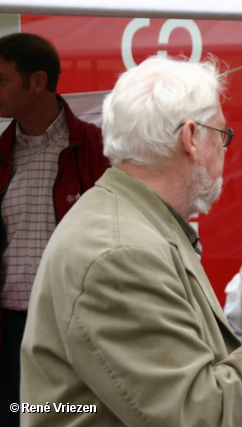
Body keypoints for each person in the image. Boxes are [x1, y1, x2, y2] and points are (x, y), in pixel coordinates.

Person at [20, 55, 242, 427]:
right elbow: (200, 414)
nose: (225, 149)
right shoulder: (122, 252)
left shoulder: (134, 224)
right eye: (222, 135)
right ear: (190, 138)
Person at [0, 33, 109, 427]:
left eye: (2, 80)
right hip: (10, 327)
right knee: (14, 416)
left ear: (37, 81)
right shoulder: (1, 151)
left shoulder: (96, 149)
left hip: (71, 326)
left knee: (68, 419)